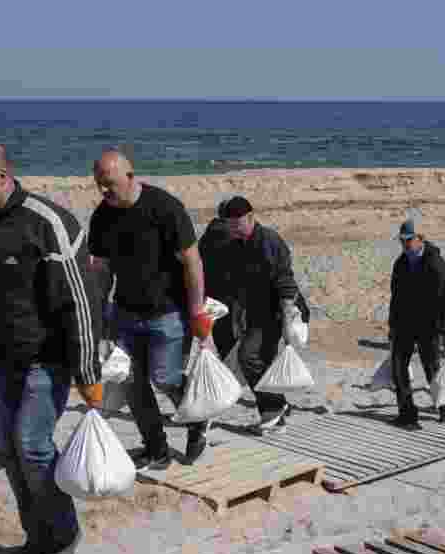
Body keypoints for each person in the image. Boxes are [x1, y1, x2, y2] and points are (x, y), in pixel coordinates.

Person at [0, 139, 102, 554]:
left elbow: (81, 303)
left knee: (34, 449)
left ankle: (64, 534)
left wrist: (88, 371)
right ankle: (37, 538)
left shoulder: (48, 223)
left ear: (1, 174)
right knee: (10, 453)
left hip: (45, 361)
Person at [87, 150, 212, 471]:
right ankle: (156, 448)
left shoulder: (165, 208)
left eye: (109, 184)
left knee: (166, 377)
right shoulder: (101, 217)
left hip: (168, 312)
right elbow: (101, 271)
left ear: (130, 177)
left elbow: (192, 262)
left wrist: (197, 312)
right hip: (125, 314)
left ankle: (198, 419)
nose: (104, 191)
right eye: (99, 185)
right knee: (132, 384)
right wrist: (100, 318)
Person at [196, 196, 304, 433]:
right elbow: (235, 285)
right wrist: (231, 314)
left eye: (237, 224)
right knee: (255, 359)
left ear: (251, 218)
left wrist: (287, 318)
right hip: (253, 311)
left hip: (279, 309)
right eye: (230, 224)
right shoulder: (235, 244)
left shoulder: (268, 240)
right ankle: (278, 407)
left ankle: (273, 411)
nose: (233, 229)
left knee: (249, 356)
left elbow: (285, 280)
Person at [388, 219, 445, 429]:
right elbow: (395, 296)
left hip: (430, 326)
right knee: (398, 368)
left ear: (420, 238)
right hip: (404, 325)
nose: (405, 244)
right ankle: (407, 413)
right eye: (402, 240)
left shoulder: (437, 264)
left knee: (432, 369)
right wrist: (392, 325)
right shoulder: (400, 263)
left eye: (409, 240)